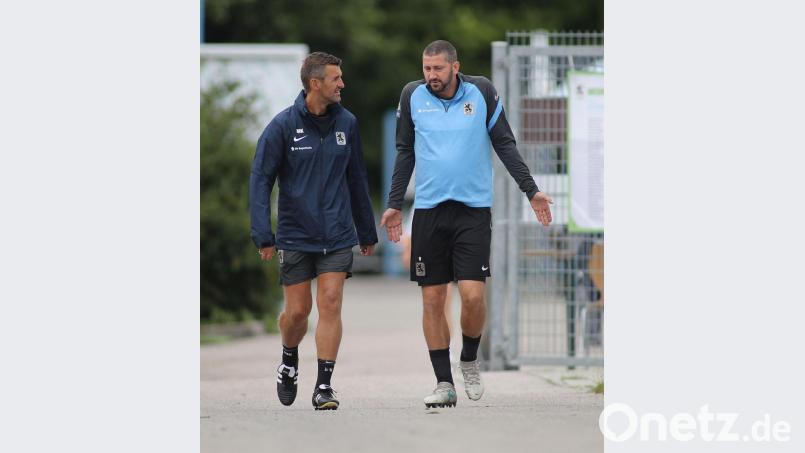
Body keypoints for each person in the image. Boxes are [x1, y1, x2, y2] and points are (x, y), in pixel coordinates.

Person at [380, 40, 553, 408]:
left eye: (438, 69)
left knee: (473, 296)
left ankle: (470, 359)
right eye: (426, 68)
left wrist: (531, 190)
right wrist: (394, 204)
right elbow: (405, 152)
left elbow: (504, 144)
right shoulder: (412, 96)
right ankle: (444, 382)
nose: (431, 75)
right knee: (433, 299)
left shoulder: (482, 91)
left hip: (472, 211)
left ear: (455, 67)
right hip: (429, 211)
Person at [249, 52, 378, 411]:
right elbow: (260, 180)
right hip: (295, 234)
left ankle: (324, 385)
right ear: (315, 83)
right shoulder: (282, 126)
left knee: (331, 302)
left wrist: (366, 231)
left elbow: (357, 178)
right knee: (297, 313)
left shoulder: (347, 123)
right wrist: (263, 234)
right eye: (336, 78)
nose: (342, 84)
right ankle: (289, 359)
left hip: (337, 233)